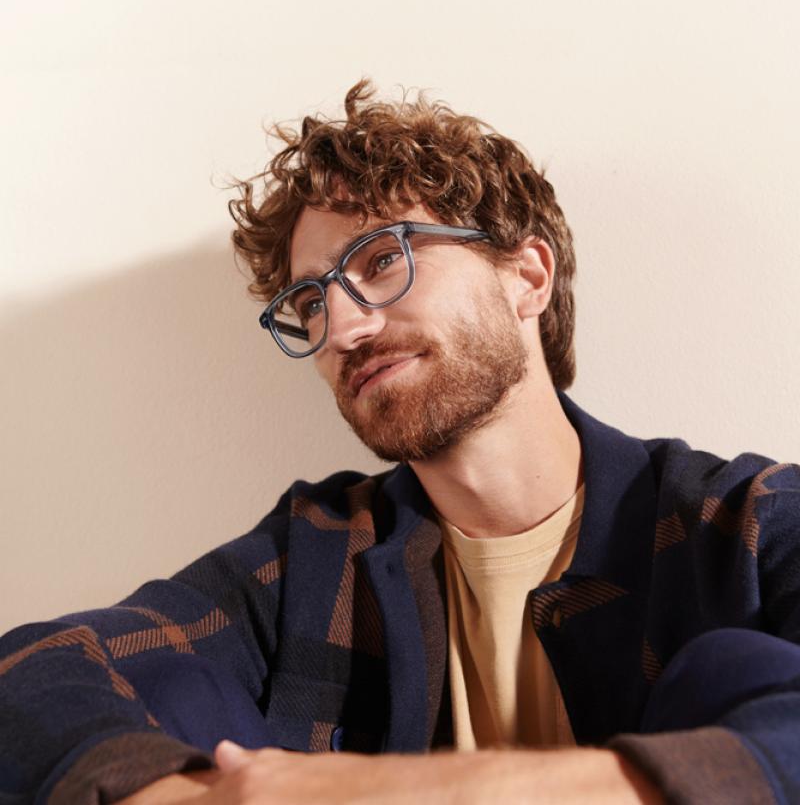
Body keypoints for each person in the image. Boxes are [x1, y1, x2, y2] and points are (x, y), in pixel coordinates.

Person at [1, 79, 798, 805]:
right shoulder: (316, 554)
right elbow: (34, 670)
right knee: (162, 695)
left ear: (528, 277)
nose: (343, 328)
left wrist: (401, 793)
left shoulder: (748, 520)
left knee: (737, 672)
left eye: (383, 259)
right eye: (311, 304)